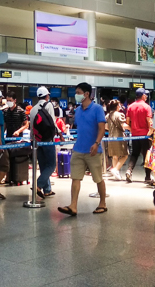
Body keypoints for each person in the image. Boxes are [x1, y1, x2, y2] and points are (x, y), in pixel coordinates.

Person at [57, 83, 107, 216]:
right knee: (75, 178)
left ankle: (102, 203)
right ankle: (73, 206)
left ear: (86, 94)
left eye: (78, 92)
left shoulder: (97, 109)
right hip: (78, 149)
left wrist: (96, 144)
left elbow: (102, 129)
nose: (76, 95)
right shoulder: (78, 110)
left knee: (98, 178)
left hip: (93, 150)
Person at [30, 87, 59, 198]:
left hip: (37, 141)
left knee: (43, 165)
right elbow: (53, 122)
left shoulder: (33, 109)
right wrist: (60, 133)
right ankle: (38, 185)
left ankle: (47, 189)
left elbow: (32, 127)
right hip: (48, 140)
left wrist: (33, 138)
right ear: (47, 96)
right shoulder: (49, 105)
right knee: (51, 165)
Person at [125, 88, 153, 184]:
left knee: (135, 154)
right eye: (146, 95)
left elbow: (127, 121)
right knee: (147, 155)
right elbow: (149, 121)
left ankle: (129, 170)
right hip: (145, 135)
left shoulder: (130, 107)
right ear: (143, 96)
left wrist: (133, 129)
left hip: (135, 135)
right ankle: (148, 177)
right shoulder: (147, 107)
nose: (147, 97)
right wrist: (151, 132)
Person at [106, 100, 129, 181]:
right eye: (119, 105)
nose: (120, 107)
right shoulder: (119, 115)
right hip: (119, 137)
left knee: (114, 156)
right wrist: (131, 128)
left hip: (110, 137)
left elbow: (106, 127)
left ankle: (116, 174)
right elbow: (123, 125)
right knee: (125, 155)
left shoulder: (108, 115)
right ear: (116, 106)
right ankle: (115, 169)